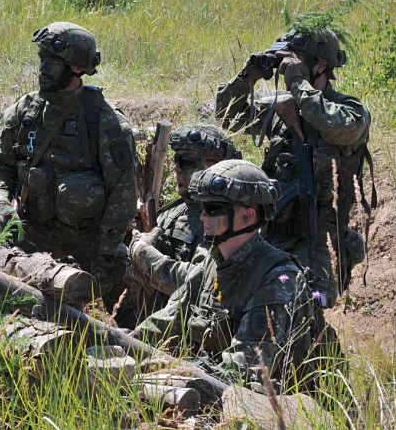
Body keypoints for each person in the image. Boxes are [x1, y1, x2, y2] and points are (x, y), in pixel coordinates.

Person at [0, 21, 139, 327]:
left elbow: (123, 195)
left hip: (91, 243)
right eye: (42, 60)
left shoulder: (106, 123)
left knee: (129, 304)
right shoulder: (25, 111)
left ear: (77, 69)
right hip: (33, 232)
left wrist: (106, 256)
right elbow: (0, 167)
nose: (43, 69)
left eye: (53, 63)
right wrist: (3, 204)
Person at [215, 27, 373, 311]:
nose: (287, 68)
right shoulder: (281, 108)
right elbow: (227, 117)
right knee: (223, 285)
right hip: (271, 233)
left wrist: (298, 82)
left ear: (320, 65)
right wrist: (248, 75)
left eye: (295, 60)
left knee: (307, 298)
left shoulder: (350, 111)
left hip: (320, 239)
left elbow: (330, 123)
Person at [133, 160, 314, 391]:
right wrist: (121, 343)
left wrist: (170, 372)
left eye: (213, 209)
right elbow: (166, 322)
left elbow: (242, 370)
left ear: (247, 216)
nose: (203, 218)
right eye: (202, 209)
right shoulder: (211, 261)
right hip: (211, 388)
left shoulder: (277, 279)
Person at [128, 123, 238, 314]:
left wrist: (144, 255)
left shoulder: (227, 220)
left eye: (186, 162)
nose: (177, 169)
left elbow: (200, 284)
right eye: (176, 160)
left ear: (212, 165)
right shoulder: (173, 213)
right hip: (155, 328)